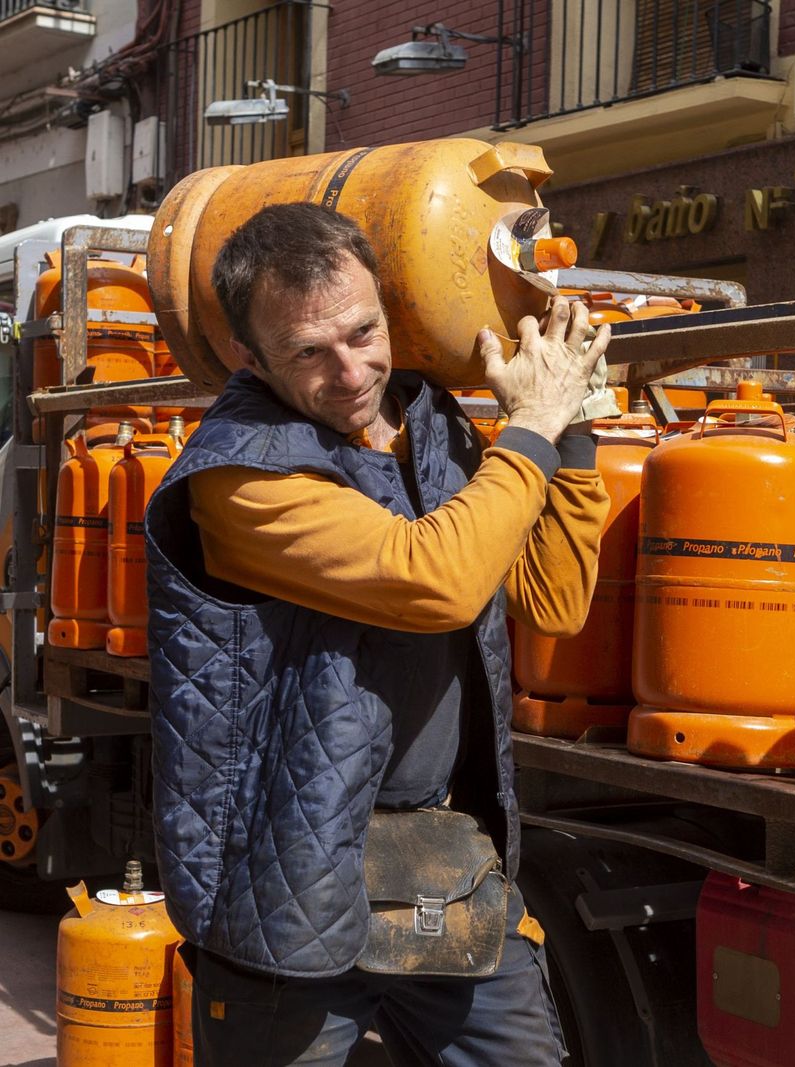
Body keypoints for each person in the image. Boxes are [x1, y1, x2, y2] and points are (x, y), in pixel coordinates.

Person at [145, 202, 609, 1065]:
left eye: (364, 332)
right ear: (249, 355)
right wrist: (530, 431)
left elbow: (552, 601)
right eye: (309, 352)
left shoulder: (429, 422)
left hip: (441, 864)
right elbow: (436, 579)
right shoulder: (238, 473)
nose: (351, 370)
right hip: (288, 879)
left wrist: (570, 422)